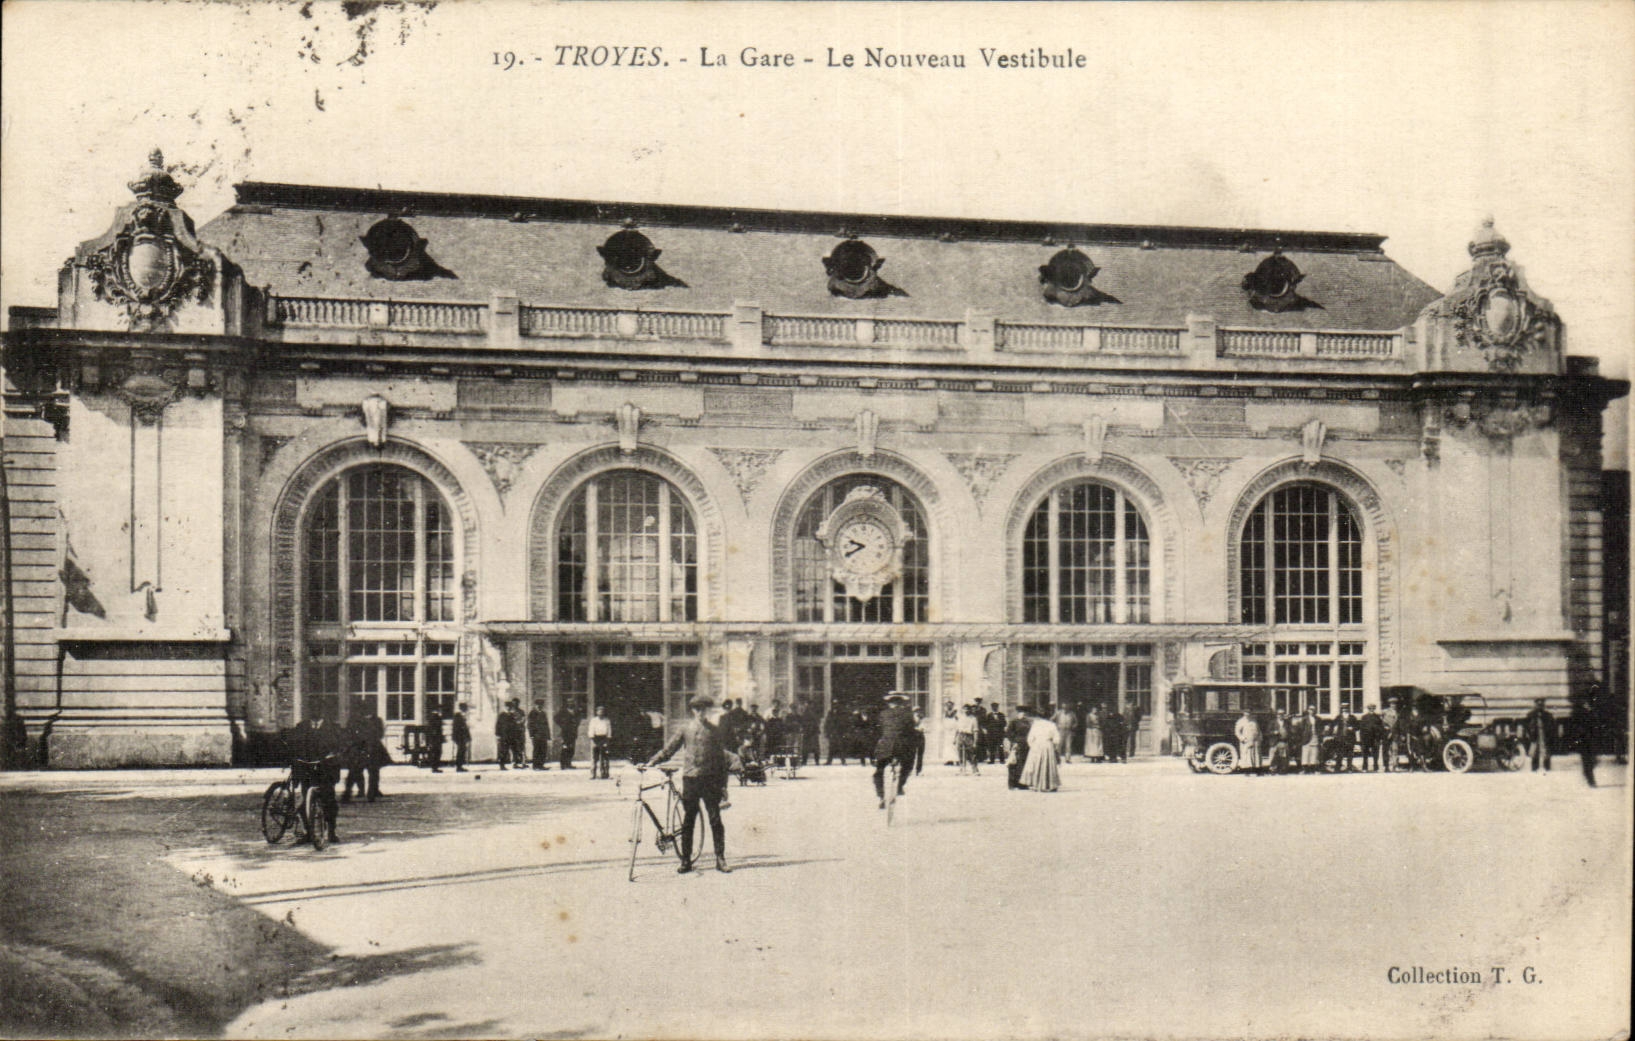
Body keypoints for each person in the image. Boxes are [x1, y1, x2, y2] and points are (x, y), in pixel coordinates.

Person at [646, 694, 731, 874]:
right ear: (693, 710)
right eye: (697, 709)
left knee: (715, 819)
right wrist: (652, 761)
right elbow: (669, 749)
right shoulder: (685, 729)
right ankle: (686, 860)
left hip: (710, 780)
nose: (701, 712)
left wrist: (723, 785)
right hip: (691, 779)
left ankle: (720, 858)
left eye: (704, 709)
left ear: (707, 710)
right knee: (688, 820)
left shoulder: (715, 730)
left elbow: (721, 760)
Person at [288, 711, 342, 844]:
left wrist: (334, 755)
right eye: (312, 708)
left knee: (329, 801)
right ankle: (308, 833)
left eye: (318, 708)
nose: (315, 711)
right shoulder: (302, 726)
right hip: (307, 769)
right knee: (306, 801)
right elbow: (294, 745)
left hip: (326, 770)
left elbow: (341, 746)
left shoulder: (333, 728)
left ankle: (331, 831)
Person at [873, 692, 918, 807]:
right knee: (908, 765)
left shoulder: (883, 714)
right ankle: (899, 786)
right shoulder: (907, 714)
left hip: (885, 746)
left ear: (889, 703)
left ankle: (881, 796)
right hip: (901, 747)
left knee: (878, 771)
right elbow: (911, 731)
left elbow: (878, 730)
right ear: (901, 702)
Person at [342, 701, 387, 802]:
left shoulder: (373, 720)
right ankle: (359, 792)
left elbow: (379, 734)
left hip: (369, 748)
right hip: (362, 749)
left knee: (366, 771)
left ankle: (370, 792)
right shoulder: (355, 721)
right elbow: (349, 733)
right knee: (357, 771)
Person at [1020, 706, 1062, 792]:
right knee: (1048, 765)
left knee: (1036, 764)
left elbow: (1030, 738)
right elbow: (1056, 738)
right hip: (1047, 745)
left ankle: (1036, 783)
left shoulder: (1035, 724)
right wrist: (1054, 746)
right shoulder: (1051, 724)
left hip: (1037, 745)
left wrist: (1033, 746)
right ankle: (1050, 784)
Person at [1523, 697, 1557, 773]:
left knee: (1546, 751)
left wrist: (1550, 734)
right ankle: (1535, 767)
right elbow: (1526, 726)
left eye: (1541, 704)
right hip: (1535, 735)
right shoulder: (1530, 715)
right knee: (1535, 751)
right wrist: (1530, 734)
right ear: (1535, 705)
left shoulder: (1548, 715)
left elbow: (1552, 726)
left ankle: (1547, 767)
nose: (1540, 706)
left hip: (1544, 735)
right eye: (1538, 704)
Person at [1005, 705, 1032, 789]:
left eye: (1024, 712)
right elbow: (1009, 733)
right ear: (1017, 713)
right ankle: (1012, 784)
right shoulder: (1014, 722)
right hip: (1017, 744)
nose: (1022, 714)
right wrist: (1014, 742)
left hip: (1027, 745)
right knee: (1014, 763)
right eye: (1020, 712)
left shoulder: (1029, 722)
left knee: (1024, 764)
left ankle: (1022, 783)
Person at [1234, 707, 1262, 774]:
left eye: (1249, 712)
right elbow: (1237, 732)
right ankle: (1246, 771)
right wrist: (1242, 738)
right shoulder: (1240, 721)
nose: (1248, 714)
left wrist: (1260, 738)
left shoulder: (1254, 721)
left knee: (1256, 756)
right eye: (1246, 712)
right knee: (1246, 756)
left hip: (1255, 741)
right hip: (1246, 741)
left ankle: (1257, 770)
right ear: (1243, 713)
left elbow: (1258, 730)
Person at [956, 703, 981, 775]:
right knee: (960, 753)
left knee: (971, 753)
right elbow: (957, 729)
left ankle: (975, 769)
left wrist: (975, 742)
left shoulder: (973, 718)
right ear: (962, 710)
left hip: (969, 736)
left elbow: (975, 730)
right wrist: (955, 739)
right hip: (961, 736)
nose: (966, 711)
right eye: (964, 709)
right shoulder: (960, 718)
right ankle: (962, 769)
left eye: (967, 709)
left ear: (970, 710)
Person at [1358, 704, 1385, 772]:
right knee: (1365, 753)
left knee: (1375, 753)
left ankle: (1375, 767)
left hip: (1375, 737)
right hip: (1366, 737)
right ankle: (1365, 767)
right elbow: (1361, 728)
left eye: (1373, 708)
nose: (1371, 709)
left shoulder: (1377, 717)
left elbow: (1381, 727)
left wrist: (1380, 737)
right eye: (1370, 708)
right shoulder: (1364, 717)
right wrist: (1361, 739)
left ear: (1374, 709)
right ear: (1368, 709)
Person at [589, 704, 613, 779]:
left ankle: (605, 773)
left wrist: (607, 740)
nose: (601, 713)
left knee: (605, 757)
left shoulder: (607, 720)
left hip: (604, 738)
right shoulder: (593, 720)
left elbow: (609, 730)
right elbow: (591, 730)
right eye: (599, 711)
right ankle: (593, 774)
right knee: (594, 757)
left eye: (602, 711)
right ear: (596, 712)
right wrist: (592, 739)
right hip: (595, 738)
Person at [554, 702, 580, 769]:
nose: (571, 705)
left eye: (572, 704)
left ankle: (568, 763)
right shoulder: (563, 711)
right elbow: (556, 718)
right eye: (569, 704)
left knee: (571, 749)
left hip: (573, 733)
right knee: (565, 748)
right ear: (567, 705)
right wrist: (562, 725)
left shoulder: (576, 712)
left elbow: (578, 720)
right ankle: (563, 764)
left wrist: (576, 725)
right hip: (566, 733)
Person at [527, 701, 552, 770]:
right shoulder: (532, 713)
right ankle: (535, 766)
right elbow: (530, 725)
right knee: (537, 750)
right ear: (535, 705)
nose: (539, 706)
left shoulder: (543, 713)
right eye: (538, 705)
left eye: (541, 705)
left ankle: (541, 765)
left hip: (543, 735)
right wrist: (531, 734)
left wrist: (548, 736)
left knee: (543, 750)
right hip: (536, 735)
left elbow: (546, 725)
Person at [1298, 705, 1321, 773]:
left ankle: (1313, 769)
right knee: (1306, 753)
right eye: (1310, 709)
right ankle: (1304, 769)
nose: (1312, 711)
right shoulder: (1304, 719)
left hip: (1315, 737)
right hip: (1306, 738)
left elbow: (1320, 728)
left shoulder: (1318, 719)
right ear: (1308, 710)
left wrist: (1319, 735)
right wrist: (1303, 737)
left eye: (1313, 709)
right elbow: (1300, 729)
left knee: (1314, 753)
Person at [424, 706, 446, 773]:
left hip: (433, 739)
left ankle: (434, 767)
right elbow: (436, 729)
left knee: (435, 753)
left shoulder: (431, 717)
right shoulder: (436, 717)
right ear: (438, 710)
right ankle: (435, 767)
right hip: (436, 739)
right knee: (437, 753)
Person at [451, 702, 471, 772]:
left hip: (462, 737)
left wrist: (468, 737)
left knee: (462, 751)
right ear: (462, 709)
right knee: (460, 751)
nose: (466, 711)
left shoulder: (461, 716)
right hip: (459, 737)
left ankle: (460, 765)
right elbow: (456, 728)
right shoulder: (457, 716)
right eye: (465, 709)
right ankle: (459, 766)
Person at [1379, 699, 1398, 772]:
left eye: (1395, 704)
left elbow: (1397, 724)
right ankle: (1386, 766)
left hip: (1395, 734)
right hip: (1386, 733)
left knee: (1395, 749)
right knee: (1386, 750)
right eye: (1392, 704)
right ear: (1389, 704)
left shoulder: (1397, 712)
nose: (1393, 705)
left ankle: (1395, 766)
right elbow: (1381, 721)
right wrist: (1385, 727)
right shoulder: (1385, 711)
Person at [939, 700, 960, 765]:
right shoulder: (945, 713)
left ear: (952, 706)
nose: (949, 706)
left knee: (954, 745)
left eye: (950, 705)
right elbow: (943, 722)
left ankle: (957, 760)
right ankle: (949, 760)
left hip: (954, 731)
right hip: (947, 732)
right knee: (947, 746)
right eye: (947, 705)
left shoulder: (956, 713)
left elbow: (958, 722)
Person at [910, 707, 927, 775]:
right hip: (913, 737)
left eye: (919, 711)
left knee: (920, 754)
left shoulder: (922, 719)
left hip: (920, 737)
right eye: (916, 711)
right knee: (912, 754)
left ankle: (918, 770)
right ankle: (910, 770)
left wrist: (916, 729)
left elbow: (922, 728)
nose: (917, 712)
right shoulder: (911, 719)